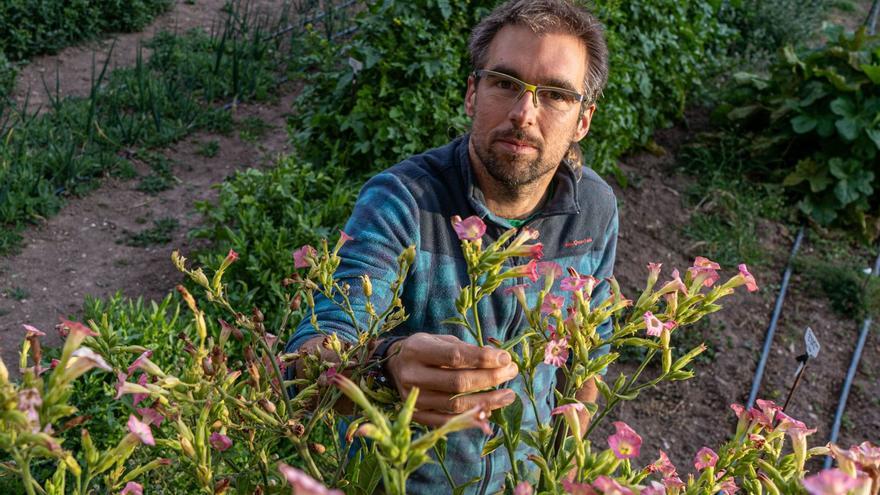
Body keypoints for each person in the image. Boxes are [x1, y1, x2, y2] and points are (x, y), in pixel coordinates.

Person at [286, 0, 616, 492]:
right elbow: (305, 361)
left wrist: (568, 458)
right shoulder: (401, 201)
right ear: (471, 94)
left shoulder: (596, 207)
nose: (525, 113)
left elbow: (593, 347)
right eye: (505, 83)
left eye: (554, 95)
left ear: (582, 121)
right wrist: (384, 365)